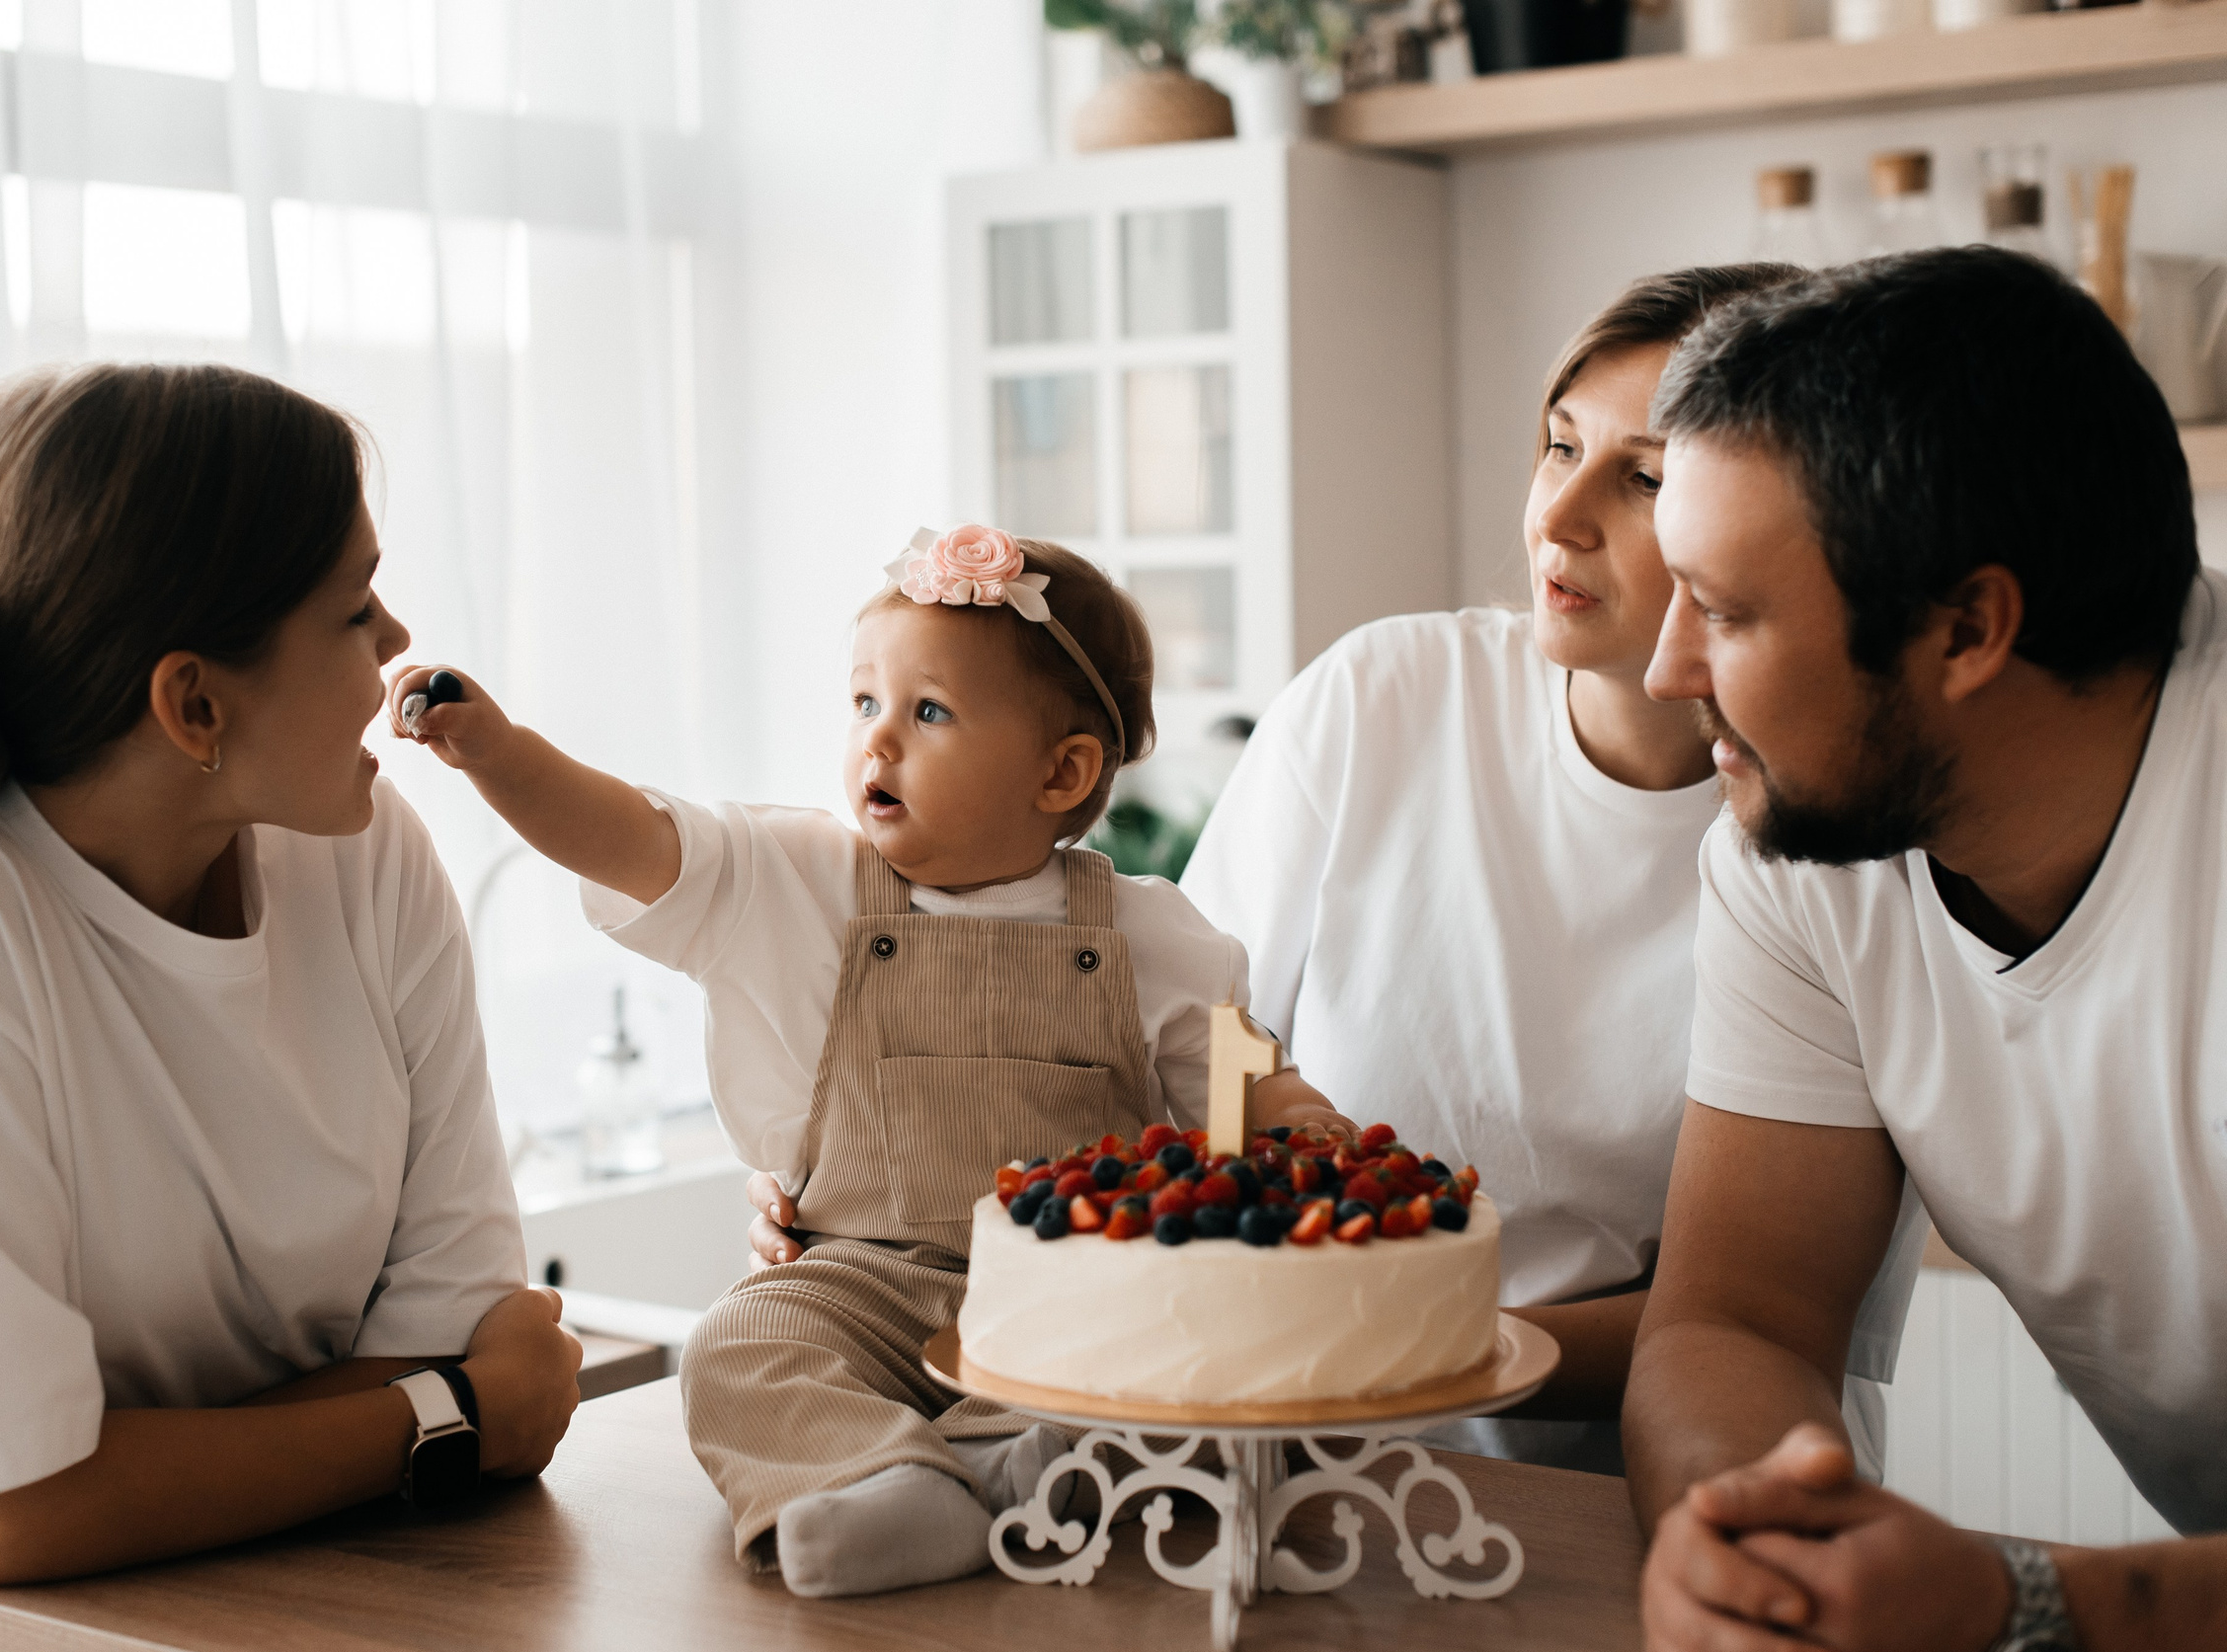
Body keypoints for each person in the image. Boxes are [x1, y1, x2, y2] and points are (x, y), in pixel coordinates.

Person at [753, 264, 1924, 1478]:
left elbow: (1766, 1319)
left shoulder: (1842, 836)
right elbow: (1146, 1067)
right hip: (1300, 1469)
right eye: (1556, 445)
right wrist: (883, 1199)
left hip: (1677, 1492)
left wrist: (1391, 1335)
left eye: (1641, 477)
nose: (1558, 516)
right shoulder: (1382, 701)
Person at [0, 364, 583, 1652]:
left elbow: (449, 1319)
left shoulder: (366, 858)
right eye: (352, 607)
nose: (396, 643)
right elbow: (13, 1512)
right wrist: (454, 1416)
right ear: (196, 705)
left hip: (362, 1624)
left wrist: (102, 1483)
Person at [390, 524, 1379, 1598]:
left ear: (1062, 770)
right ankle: (883, 1484)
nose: (877, 741)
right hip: (859, 1281)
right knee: (741, 1342)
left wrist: (1303, 1124)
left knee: (1174, 1346)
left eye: (928, 711)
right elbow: (627, 832)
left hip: (1070, 1290)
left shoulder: (1154, 934)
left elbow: (1242, 1086)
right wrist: (495, 751)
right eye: (864, 702)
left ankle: (1010, 1462)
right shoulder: (801, 879)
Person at [1627, 246, 2221, 1652]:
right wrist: (1759, 1549)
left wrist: (2027, 1609)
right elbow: (1736, 1313)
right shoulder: (1805, 852)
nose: (1664, 670)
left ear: (1968, 627)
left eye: (1725, 610)